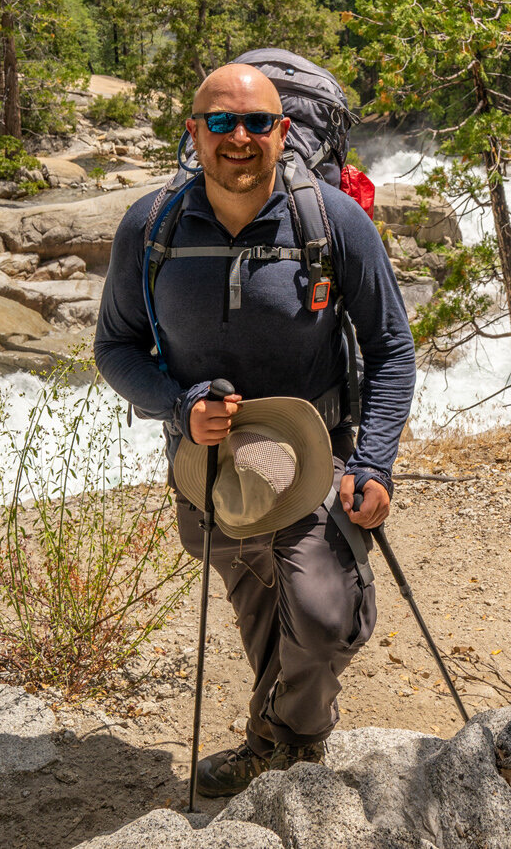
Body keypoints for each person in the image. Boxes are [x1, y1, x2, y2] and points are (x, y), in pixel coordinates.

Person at [94, 61, 416, 796]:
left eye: (257, 123)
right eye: (220, 123)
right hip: (211, 467)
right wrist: (178, 405)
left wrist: (375, 462)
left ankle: (290, 737)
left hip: (317, 456)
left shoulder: (334, 221)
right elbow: (114, 348)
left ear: (284, 131)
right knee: (263, 609)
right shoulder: (152, 227)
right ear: (194, 133)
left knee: (324, 615)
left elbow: (392, 346)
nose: (238, 138)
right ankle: (280, 744)